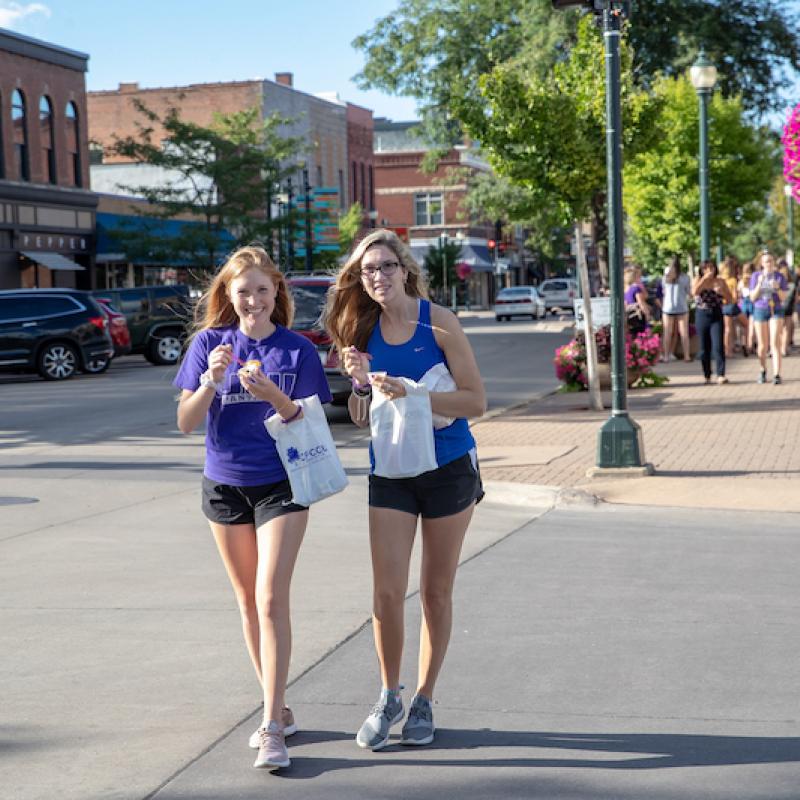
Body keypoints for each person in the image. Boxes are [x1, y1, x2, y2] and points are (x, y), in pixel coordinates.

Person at [323, 229, 486, 751]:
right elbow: (357, 416)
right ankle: (388, 693)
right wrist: (358, 384)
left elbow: (476, 402)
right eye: (368, 270)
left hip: (448, 466)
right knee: (386, 593)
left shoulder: (438, 323)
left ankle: (424, 698)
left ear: (405, 269)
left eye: (386, 267)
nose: (378, 277)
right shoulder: (361, 330)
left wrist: (415, 394)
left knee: (435, 592)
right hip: (391, 468)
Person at [174, 245, 332, 771]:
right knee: (246, 603)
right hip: (224, 485)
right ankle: (279, 707)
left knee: (269, 600)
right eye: (243, 291)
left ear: (276, 294)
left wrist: (273, 396)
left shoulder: (297, 351)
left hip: (283, 483)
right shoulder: (209, 344)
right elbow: (185, 422)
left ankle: (269, 729)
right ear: (228, 296)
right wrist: (209, 382)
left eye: (264, 290)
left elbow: (307, 419)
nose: (254, 300)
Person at [691, 259, 733, 384]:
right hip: (702, 314)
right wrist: (704, 279)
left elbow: (730, 299)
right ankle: (707, 374)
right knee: (704, 348)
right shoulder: (698, 280)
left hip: (716, 313)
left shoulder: (720, 281)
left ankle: (721, 374)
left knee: (718, 345)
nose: (709, 270)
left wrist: (722, 292)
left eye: (711, 268)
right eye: (706, 268)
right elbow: (694, 292)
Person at [749, 250, 787, 384]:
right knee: (762, 344)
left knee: (774, 342)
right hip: (760, 309)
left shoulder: (779, 277)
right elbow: (752, 297)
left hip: (775, 309)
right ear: (761, 263)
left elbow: (783, 298)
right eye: (766, 261)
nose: (769, 264)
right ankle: (762, 370)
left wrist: (777, 288)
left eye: (771, 261)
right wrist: (759, 283)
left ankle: (777, 374)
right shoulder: (755, 276)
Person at [660, 255, 692, 362]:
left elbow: (663, 291)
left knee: (667, 332)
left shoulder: (666, 278)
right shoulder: (685, 278)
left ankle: (666, 356)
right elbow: (688, 292)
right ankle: (687, 355)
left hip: (668, 307)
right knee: (684, 332)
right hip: (681, 306)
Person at [720, 256, 749, 357]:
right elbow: (735, 296)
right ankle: (744, 343)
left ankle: (728, 350)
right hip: (732, 305)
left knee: (728, 329)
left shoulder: (721, 279)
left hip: (723, 305)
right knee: (746, 324)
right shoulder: (733, 280)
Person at [738, 261, 757, 356]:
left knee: (744, 326)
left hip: (744, 303)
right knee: (752, 326)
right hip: (752, 302)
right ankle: (750, 346)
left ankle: (744, 343)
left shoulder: (741, 281)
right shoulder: (755, 279)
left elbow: (739, 294)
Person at [624, 266, 650, 334]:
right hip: (638, 315)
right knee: (642, 335)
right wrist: (647, 314)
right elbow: (641, 303)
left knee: (633, 335)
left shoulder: (625, 289)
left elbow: (625, 303)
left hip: (629, 316)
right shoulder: (636, 288)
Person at [777, 260, 796, 356]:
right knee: (786, 329)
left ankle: (779, 348)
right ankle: (784, 348)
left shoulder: (777, 284)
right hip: (788, 308)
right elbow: (796, 298)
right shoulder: (792, 285)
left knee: (779, 329)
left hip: (779, 307)